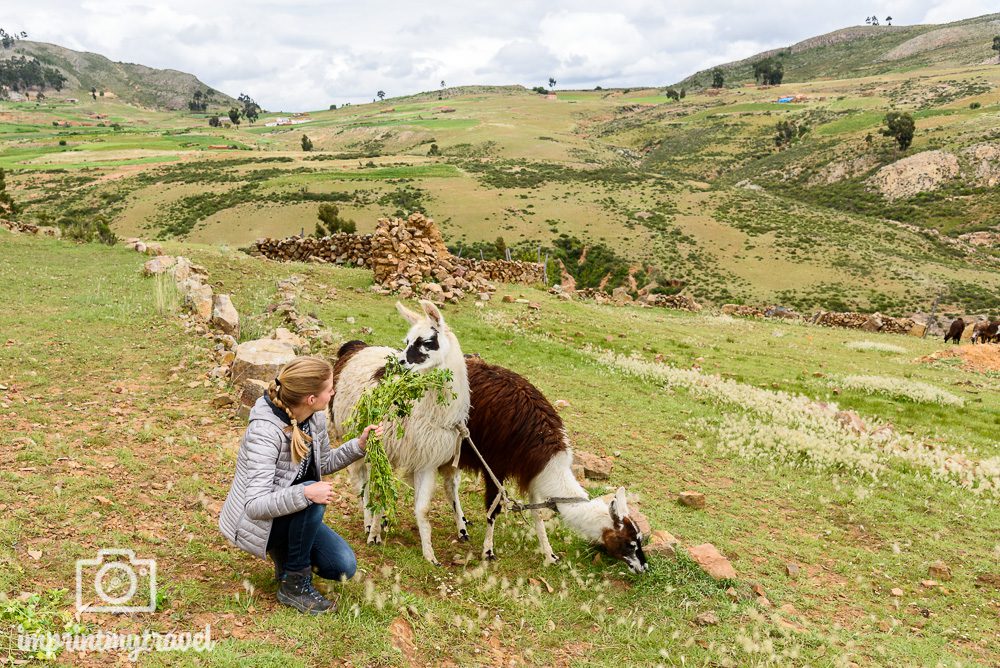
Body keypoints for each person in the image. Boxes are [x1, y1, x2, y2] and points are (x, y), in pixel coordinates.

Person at [219, 355, 382, 614]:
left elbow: (324, 462)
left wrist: (358, 446)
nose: (333, 392)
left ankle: (286, 554)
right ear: (311, 398)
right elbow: (254, 506)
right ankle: (294, 584)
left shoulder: (313, 418)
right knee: (311, 496)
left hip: (287, 513)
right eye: (329, 389)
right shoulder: (265, 432)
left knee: (343, 565)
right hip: (259, 523)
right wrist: (305, 492)